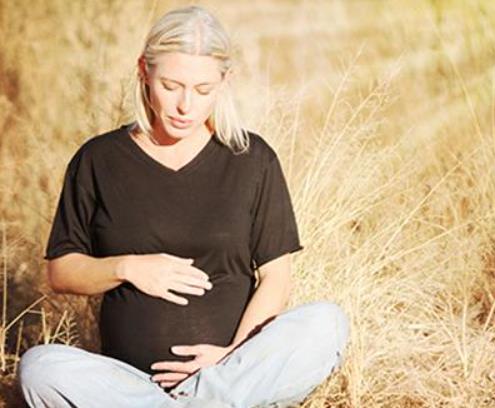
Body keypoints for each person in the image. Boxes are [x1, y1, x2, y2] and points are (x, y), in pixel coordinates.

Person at [17, 5, 349, 408]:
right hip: (130, 384)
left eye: (203, 90)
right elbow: (61, 271)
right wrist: (128, 267)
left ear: (225, 81)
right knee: (40, 368)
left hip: (230, 371)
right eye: (171, 86)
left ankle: (207, 399)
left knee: (326, 323)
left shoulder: (252, 158)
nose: (185, 106)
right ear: (144, 71)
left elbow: (276, 278)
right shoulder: (99, 159)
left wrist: (230, 358)